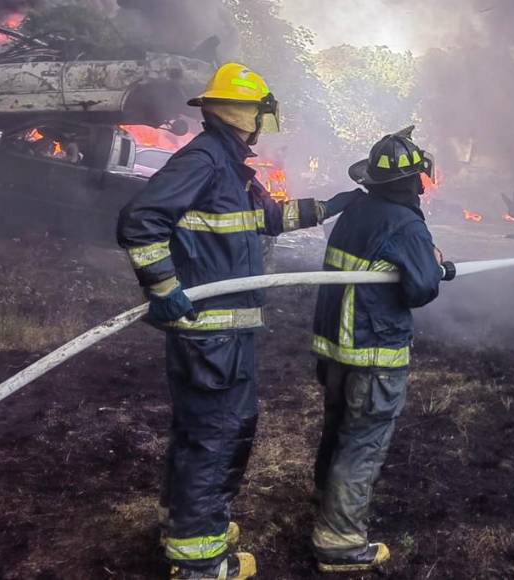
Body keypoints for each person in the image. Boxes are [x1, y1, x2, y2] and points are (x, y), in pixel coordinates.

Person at [117, 63, 361, 580]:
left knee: (202, 430)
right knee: (218, 433)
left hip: (222, 331)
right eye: (261, 114)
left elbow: (268, 219)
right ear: (247, 113)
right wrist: (162, 288)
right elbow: (140, 220)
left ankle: (185, 524)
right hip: (212, 333)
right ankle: (200, 560)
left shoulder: (228, 166)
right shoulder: (205, 161)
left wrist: (330, 206)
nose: (263, 125)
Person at [310, 126, 453, 572]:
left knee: (338, 431)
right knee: (363, 443)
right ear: (413, 181)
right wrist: (431, 264)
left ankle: (327, 505)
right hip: (373, 354)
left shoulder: (356, 211)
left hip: (334, 349)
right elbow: (420, 289)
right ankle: (339, 541)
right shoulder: (405, 223)